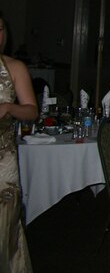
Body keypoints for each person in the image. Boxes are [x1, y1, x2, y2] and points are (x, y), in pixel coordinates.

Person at [0, 16, 37, 272]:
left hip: (3, 163)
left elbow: (32, 112)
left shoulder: (14, 67)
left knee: (5, 230)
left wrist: (10, 107)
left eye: (0, 29)